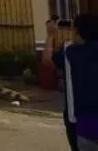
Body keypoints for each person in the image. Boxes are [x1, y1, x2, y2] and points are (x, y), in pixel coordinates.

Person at [48, 13, 98, 150]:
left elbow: (47, 61)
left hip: (83, 124)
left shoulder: (70, 52)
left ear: (76, 31)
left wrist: (50, 34)